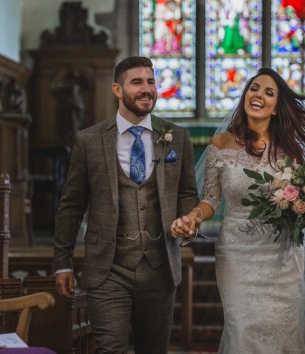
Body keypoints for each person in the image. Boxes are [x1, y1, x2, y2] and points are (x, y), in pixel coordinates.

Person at [171, 67, 305, 353]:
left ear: (277, 108)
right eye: (254, 88)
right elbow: (211, 200)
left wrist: (299, 204)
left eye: (268, 92)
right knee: (241, 331)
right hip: (237, 252)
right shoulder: (221, 145)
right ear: (244, 96)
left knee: (286, 334)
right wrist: (193, 216)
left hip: (282, 256)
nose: (259, 95)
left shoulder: (293, 152)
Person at [53, 56, 199, 354]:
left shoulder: (177, 137)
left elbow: (187, 192)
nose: (147, 89)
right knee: (109, 349)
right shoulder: (89, 140)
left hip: (160, 268)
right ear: (117, 90)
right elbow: (71, 205)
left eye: (151, 81)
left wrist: (187, 220)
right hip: (108, 269)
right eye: (137, 83)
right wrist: (62, 262)